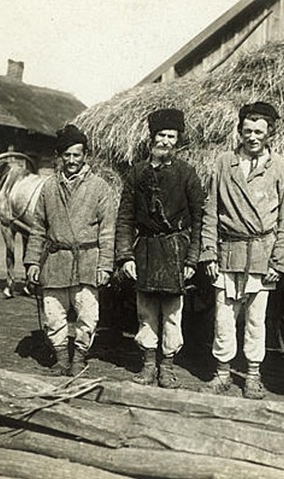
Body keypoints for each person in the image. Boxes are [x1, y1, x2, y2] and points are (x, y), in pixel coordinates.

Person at [200, 101, 284, 399]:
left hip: (262, 254)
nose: (252, 137)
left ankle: (253, 375)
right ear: (239, 132)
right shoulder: (224, 163)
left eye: (259, 131)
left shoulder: (280, 167)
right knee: (224, 317)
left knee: (257, 320)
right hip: (229, 251)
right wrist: (209, 252)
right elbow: (211, 210)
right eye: (247, 131)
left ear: (270, 134)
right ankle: (222, 373)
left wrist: (279, 261)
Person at [115, 108, 204, 388]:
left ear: (177, 141)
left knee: (173, 314)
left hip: (176, 250)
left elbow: (200, 219)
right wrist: (125, 255)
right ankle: (148, 365)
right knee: (146, 312)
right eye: (161, 135)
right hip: (146, 250)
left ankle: (167, 367)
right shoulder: (137, 173)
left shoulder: (187, 174)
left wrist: (192, 259)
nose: (165, 141)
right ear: (152, 138)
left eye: (171, 137)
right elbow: (125, 217)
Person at [24, 124, 116, 376]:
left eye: (77, 154)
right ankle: (62, 358)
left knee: (87, 315)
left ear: (85, 155)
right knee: (53, 315)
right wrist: (32, 261)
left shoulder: (100, 188)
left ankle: (79, 358)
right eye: (67, 155)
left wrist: (105, 265)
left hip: (87, 260)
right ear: (60, 156)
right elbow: (38, 228)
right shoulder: (49, 187)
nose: (72, 160)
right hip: (55, 261)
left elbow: (108, 231)